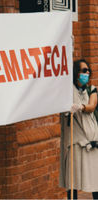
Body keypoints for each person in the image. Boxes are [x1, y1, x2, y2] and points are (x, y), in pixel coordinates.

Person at [59, 58, 98, 199]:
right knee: (73, 181)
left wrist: (81, 107)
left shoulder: (92, 89)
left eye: (88, 70)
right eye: (83, 70)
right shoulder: (67, 91)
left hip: (92, 141)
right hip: (75, 141)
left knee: (95, 180)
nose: (86, 73)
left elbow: (92, 106)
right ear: (76, 73)